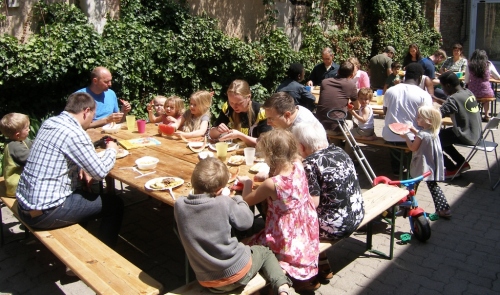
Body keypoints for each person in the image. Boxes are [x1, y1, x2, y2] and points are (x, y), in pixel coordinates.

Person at [15, 92, 124, 247]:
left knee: (85, 194)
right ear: (86, 111)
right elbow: (99, 173)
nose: (92, 120)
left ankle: (81, 245)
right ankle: (102, 257)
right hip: (46, 212)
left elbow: (59, 153)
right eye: (93, 115)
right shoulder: (75, 133)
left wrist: (81, 166)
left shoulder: (50, 122)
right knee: (115, 204)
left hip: (24, 205)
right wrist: (112, 149)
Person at [174, 158, 296, 295]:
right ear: (220, 191)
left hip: (207, 280)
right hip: (237, 272)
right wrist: (237, 199)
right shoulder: (224, 202)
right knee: (264, 252)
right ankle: (282, 287)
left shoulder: (179, 206)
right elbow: (247, 222)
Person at [240, 129, 320, 292]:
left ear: (270, 156)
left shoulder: (272, 184)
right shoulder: (298, 164)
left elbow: (247, 200)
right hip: (305, 227)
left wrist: (247, 183)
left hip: (285, 235)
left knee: (246, 245)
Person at [291, 122, 364, 280]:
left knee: (291, 220)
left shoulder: (310, 163)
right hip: (356, 213)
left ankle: (303, 272)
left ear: (302, 147)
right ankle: (322, 261)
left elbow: (312, 203)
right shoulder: (339, 150)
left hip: (337, 226)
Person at [400, 106, 452, 218]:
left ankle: (405, 205)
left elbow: (413, 147)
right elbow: (423, 136)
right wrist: (414, 130)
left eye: (419, 117)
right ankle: (444, 209)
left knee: (412, 184)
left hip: (421, 164)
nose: (417, 118)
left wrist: (406, 138)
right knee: (433, 186)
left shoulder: (421, 134)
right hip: (431, 164)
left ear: (428, 120)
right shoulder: (434, 131)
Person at [382, 63, 433, 175]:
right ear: (420, 78)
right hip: (412, 139)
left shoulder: (390, 90)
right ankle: (412, 169)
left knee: (395, 138)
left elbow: (385, 112)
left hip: (389, 135)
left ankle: (396, 168)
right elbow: (427, 120)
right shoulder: (424, 95)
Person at [437, 71, 481, 178]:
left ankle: (451, 168)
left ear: (448, 85)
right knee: (442, 135)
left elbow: (437, 115)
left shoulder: (453, 99)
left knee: (431, 140)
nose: (443, 90)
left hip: (466, 135)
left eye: (442, 87)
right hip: (476, 133)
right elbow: (453, 106)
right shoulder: (467, 92)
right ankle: (461, 163)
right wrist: (437, 99)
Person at [209, 79, 272, 147]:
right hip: (236, 152)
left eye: (239, 103)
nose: (235, 106)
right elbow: (211, 134)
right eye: (231, 102)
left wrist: (240, 135)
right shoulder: (228, 108)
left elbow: (265, 144)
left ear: (249, 97)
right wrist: (217, 130)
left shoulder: (262, 112)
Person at [316, 61, 358, 135]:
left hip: (319, 125)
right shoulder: (351, 84)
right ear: (351, 75)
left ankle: (337, 143)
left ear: (338, 71)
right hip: (336, 127)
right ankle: (345, 146)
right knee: (354, 125)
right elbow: (357, 106)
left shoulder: (325, 82)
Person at [0, 113, 33, 197]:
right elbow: (32, 159)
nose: (29, 130)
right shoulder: (14, 146)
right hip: (17, 185)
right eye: (26, 129)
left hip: (21, 182)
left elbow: (32, 143)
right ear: (18, 135)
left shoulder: (20, 140)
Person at [464, 49, 500, 122]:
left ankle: (474, 114)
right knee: (486, 99)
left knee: (470, 95)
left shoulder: (470, 65)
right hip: (487, 92)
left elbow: (466, 81)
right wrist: (490, 76)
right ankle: (486, 115)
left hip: (473, 92)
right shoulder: (488, 64)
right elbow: (497, 77)